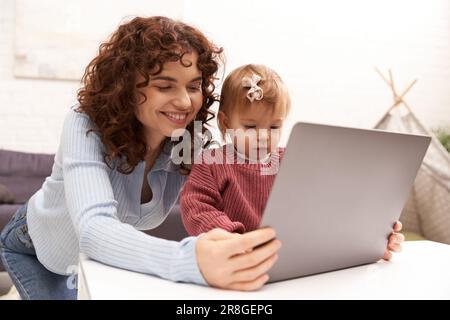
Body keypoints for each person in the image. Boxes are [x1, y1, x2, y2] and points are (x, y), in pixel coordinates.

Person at [0, 17, 281, 300]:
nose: (185, 102)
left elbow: (223, 191)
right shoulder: (84, 124)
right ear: (126, 88)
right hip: (33, 247)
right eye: (164, 86)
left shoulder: (190, 140)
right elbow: (95, 229)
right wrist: (192, 260)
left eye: (193, 86)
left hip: (91, 262)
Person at [180, 64, 404, 253]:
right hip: (235, 257)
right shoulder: (211, 163)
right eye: (250, 126)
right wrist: (235, 239)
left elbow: (325, 203)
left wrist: (370, 237)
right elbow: (196, 208)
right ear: (226, 124)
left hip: (288, 257)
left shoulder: (292, 160)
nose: (263, 136)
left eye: (274, 126)